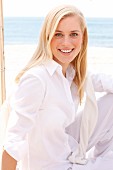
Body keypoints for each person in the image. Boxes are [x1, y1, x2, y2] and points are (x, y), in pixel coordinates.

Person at [1, 4, 113, 170]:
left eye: (73, 34)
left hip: (67, 150)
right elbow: (13, 141)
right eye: (58, 34)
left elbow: (105, 81)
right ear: (47, 37)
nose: (66, 42)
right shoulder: (37, 79)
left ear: (83, 38)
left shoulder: (71, 73)